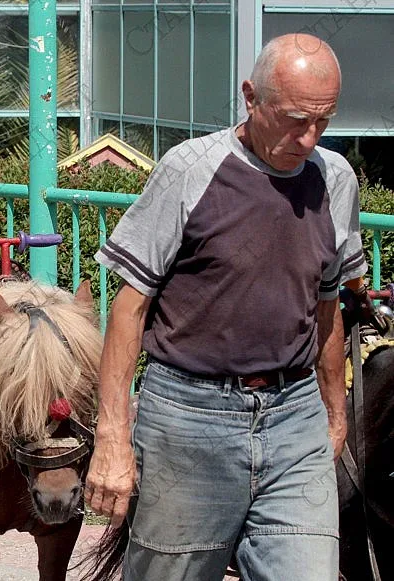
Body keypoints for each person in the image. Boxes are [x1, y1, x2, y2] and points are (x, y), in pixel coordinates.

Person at [84, 33, 366, 580]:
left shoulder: (335, 179)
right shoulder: (190, 169)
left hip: (294, 418)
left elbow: (328, 304)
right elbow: (128, 308)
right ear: (250, 97)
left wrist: (334, 415)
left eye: (323, 122)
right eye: (293, 119)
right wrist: (113, 438)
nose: (308, 138)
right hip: (188, 420)